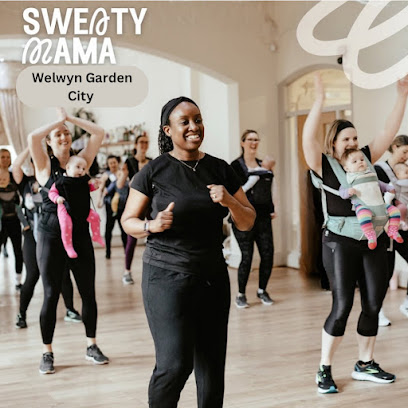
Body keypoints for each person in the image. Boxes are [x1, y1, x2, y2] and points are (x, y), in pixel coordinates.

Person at [121, 96, 255, 408]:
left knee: (211, 369)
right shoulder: (153, 172)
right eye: (185, 122)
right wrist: (152, 226)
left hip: (212, 276)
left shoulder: (220, 169)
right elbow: (128, 221)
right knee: (175, 365)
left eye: (198, 120)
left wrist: (229, 201)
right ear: (168, 130)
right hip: (166, 277)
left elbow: (247, 221)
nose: (194, 127)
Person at [303, 73, 408, 394]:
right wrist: (319, 101)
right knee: (342, 306)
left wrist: (402, 95)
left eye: (354, 138)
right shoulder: (323, 164)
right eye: (345, 139)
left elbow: (388, 130)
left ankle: (365, 363)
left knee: (373, 303)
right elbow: (307, 139)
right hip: (339, 242)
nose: (352, 143)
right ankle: (324, 368)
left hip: (374, 240)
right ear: (333, 143)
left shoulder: (365, 158)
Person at [28, 107, 109, 375]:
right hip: (51, 237)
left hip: (80, 237)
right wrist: (56, 121)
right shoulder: (44, 165)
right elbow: (32, 138)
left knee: (88, 293)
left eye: (66, 133)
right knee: (51, 295)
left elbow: (98, 133)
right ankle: (47, 352)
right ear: (49, 142)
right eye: (57, 135)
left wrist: (69, 120)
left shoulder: (81, 161)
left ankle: (92, 345)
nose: (63, 137)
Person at [12, 147, 82, 329]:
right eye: (37, 159)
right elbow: (16, 165)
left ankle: (70, 309)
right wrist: (31, 146)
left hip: (53, 233)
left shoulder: (55, 180)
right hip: (31, 233)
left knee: (63, 272)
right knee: (32, 274)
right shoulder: (26, 182)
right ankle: (22, 313)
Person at [231, 130, 276, 309]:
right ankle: (241, 294)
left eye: (256, 139)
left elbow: (270, 188)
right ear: (242, 143)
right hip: (242, 218)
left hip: (263, 217)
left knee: (268, 255)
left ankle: (262, 290)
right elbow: (237, 192)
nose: (253, 142)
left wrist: (273, 208)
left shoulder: (262, 164)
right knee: (247, 256)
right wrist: (260, 172)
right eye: (250, 139)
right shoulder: (235, 166)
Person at [338, 148, 403, 249]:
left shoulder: (371, 174)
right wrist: (348, 192)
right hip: (364, 206)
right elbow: (341, 192)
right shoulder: (349, 179)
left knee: (395, 211)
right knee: (363, 216)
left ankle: (393, 230)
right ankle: (370, 235)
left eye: (362, 159)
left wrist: (388, 188)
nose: (360, 162)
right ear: (347, 168)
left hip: (380, 205)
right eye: (355, 161)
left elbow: (379, 184)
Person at [375, 135, 408, 322]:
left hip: (403, 226)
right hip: (386, 229)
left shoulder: (405, 170)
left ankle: (407, 304)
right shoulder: (380, 170)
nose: (406, 156)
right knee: (385, 271)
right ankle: (376, 311)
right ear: (394, 147)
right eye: (404, 151)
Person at [48, 155, 104, 259]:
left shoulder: (83, 180)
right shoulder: (61, 182)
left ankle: (96, 236)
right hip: (65, 208)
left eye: (83, 169)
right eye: (78, 167)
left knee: (95, 217)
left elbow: (88, 188)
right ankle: (68, 246)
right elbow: (51, 193)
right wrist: (57, 198)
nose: (81, 171)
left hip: (81, 207)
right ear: (68, 167)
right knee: (66, 224)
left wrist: (95, 186)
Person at [121, 134, 152, 285]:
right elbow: (120, 184)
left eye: (146, 142)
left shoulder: (152, 162)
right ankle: (127, 271)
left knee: (156, 234)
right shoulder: (129, 162)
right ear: (135, 144)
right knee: (131, 238)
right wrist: (124, 174)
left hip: (150, 203)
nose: (144, 145)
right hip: (134, 203)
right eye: (141, 142)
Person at [0, 148, 24, 290]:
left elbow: (22, 194)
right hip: (0, 222)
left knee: (17, 250)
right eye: (2, 157)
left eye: (8, 157)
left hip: (14, 219)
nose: (5, 159)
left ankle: (18, 281)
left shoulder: (14, 175)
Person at [98, 155, 127, 259]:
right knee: (108, 228)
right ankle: (108, 252)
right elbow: (101, 188)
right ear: (108, 164)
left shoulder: (122, 173)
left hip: (121, 204)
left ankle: (126, 250)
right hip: (109, 205)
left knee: (123, 228)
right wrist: (99, 200)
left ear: (117, 162)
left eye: (114, 162)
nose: (113, 165)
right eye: (110, 163)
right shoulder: (105, 175)